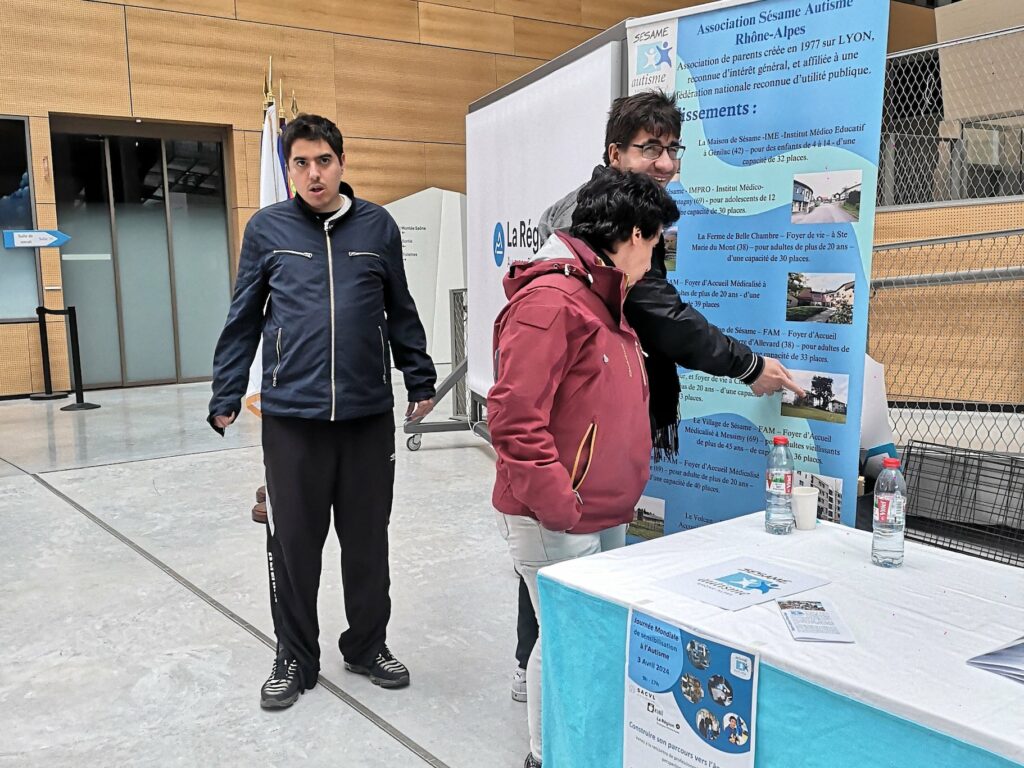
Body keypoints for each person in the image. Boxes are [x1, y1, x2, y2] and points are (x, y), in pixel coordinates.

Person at [509, 89, 807, 700]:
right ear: (615, 153)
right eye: (650, 149)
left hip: (601, 453)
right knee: (563, 610)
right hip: (571, 461)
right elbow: (658, 315)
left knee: (579, 596)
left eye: (674, 149)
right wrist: (747, 364)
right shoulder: (592, 237)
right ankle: (538, 695)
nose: (666, 162)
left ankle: (548, 677)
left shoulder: (629, 219)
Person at [208, 114, 436, 710]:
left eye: (324, 161)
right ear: (288, 170)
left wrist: (420, 374)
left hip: (365, 417)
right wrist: (226, 392)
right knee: (296, 546)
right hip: (293, 420)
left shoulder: (377, 227)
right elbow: (244, 319)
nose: (314, 174)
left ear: (341, 163)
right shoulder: (268, 229)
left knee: (367, 543)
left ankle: (366, 645)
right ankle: (294, 656)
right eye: (301, 163)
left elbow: (400, 308)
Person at [490, 167, 679, 768]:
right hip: (559, 517)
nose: (658, 255)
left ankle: (586, 745)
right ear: (628, 234)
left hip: (599, 510)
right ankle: (548, 755)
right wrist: (560, 506)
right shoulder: (553, 302)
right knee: (568, 637)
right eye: (655, 242)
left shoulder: (600, 297)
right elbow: (515, 417)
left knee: (590, 637)